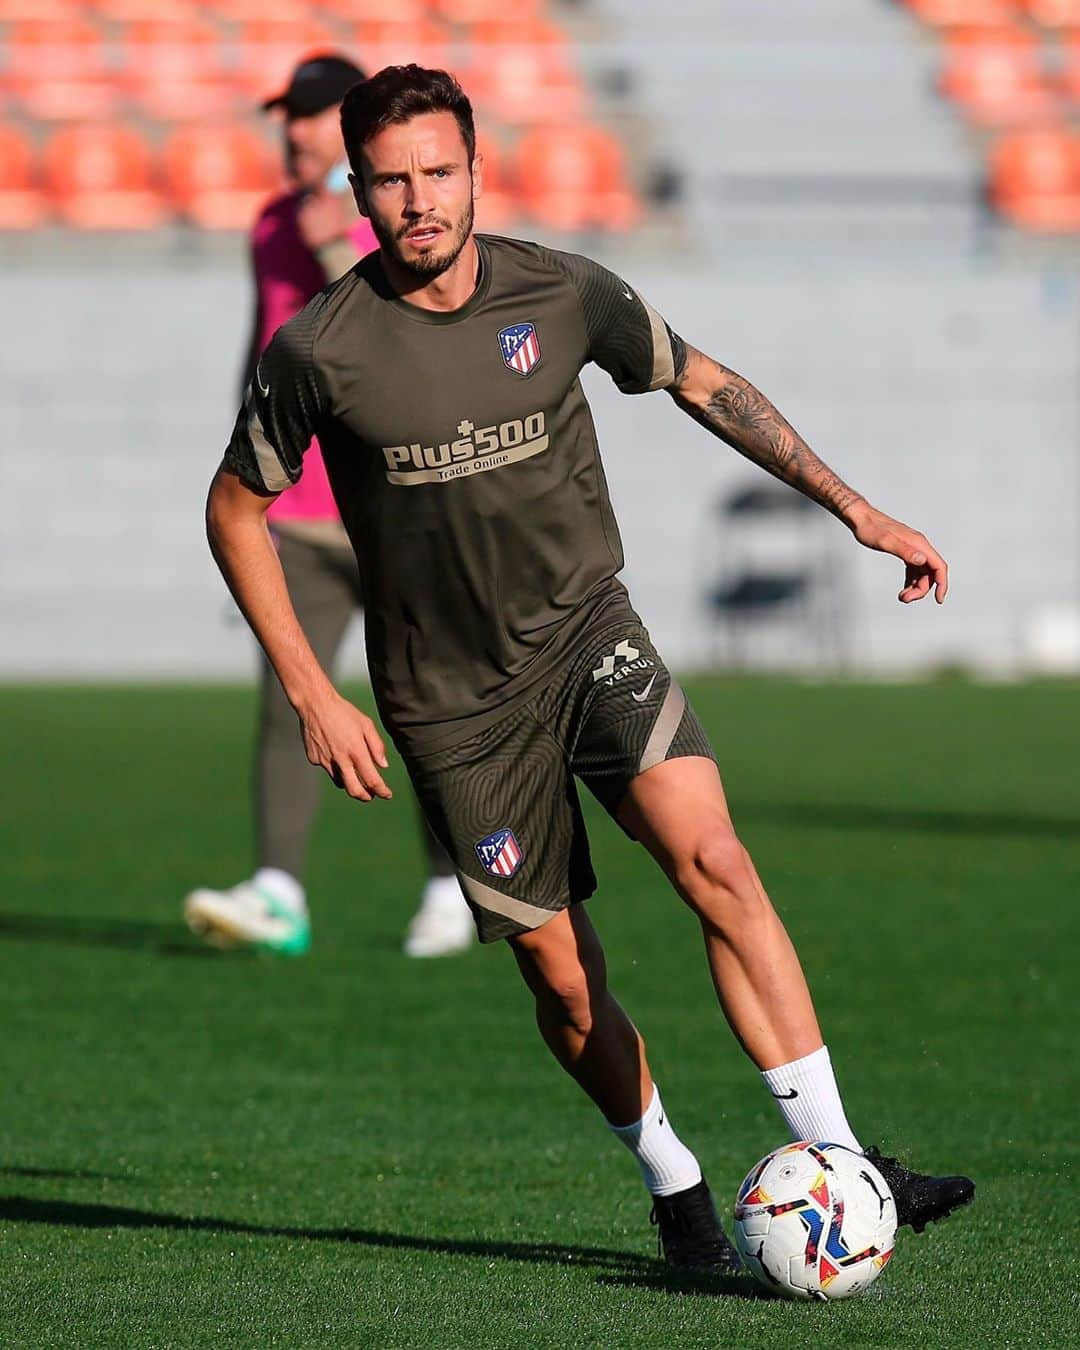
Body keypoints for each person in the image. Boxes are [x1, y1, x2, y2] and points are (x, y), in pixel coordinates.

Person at [205, 64, 974, 1270]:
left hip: (588, 639)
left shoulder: (558, 290)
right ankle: (674, 1184)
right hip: (453, 710)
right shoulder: (320, 349)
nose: (420, 200)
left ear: (474, 169)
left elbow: (706, 383)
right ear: (357, 190)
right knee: (564, 984)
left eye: (440, 172)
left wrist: (856, 510)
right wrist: (313, 689)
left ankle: (845, 1157)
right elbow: (235, 509)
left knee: (714, 858)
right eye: (393, 179)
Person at [184, 54, 472, 960]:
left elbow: (422, 325)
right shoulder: (268, 220)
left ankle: (452, 887)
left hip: (396, 507)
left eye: (306, 116)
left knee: (427, 703)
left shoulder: (403, 219)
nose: (290, 132)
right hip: (297, 517)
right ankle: (278, 890)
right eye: (286, 116)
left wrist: (331, 242)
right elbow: (264, 340)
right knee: (286, 701)